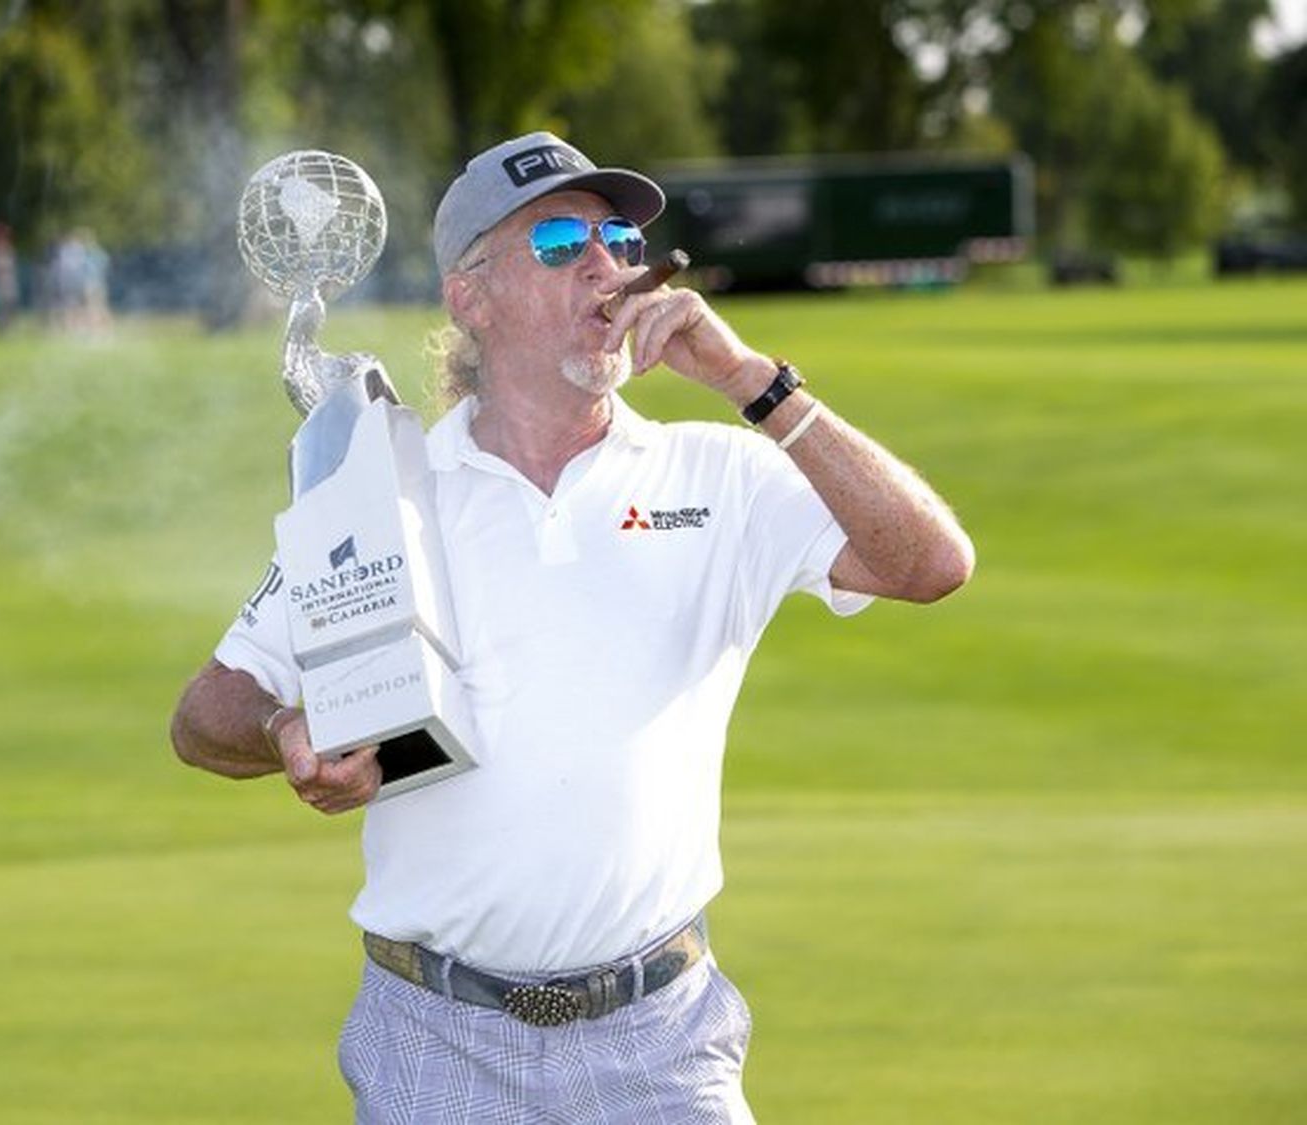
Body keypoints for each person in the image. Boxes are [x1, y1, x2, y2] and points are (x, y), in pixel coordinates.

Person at [170, 131, 975, 1123]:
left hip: (661, 1043)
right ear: (471, 296)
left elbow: (930, 564)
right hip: (435, 1041)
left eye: (622, 241)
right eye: (560, 241)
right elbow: (205, 712)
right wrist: (283, 732)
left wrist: (751, 382)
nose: (608, 265)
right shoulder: (381, 491)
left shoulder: (717, 474)